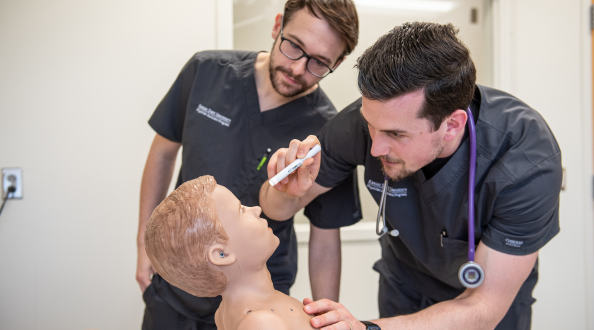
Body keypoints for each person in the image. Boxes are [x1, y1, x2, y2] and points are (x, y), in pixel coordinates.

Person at [259, 22, 561, 330]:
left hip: (483, 307)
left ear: (452, 125)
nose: (375, 148)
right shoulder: (363, 122)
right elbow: (275, 209)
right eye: (370, 127)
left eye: (395, 134)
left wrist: (365, 328)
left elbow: (482, 308)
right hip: (402, 288)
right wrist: (285, 190)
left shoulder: (526, 160)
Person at [136, 1, 360, 329]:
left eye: (319, 63)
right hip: (176, 284)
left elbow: (325, 234)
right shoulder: (206, 72)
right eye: (294, 47)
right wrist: (144, 245)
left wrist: (327, 316)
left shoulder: (327, 134)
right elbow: (162, 153)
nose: (298, 69)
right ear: (277, 26)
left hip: (258, 293)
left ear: (338, 63)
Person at [145, 175, 316, 330]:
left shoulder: (225, 312)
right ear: (222, 254)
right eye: (241, 210)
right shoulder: (261, 323)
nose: (256, 209)